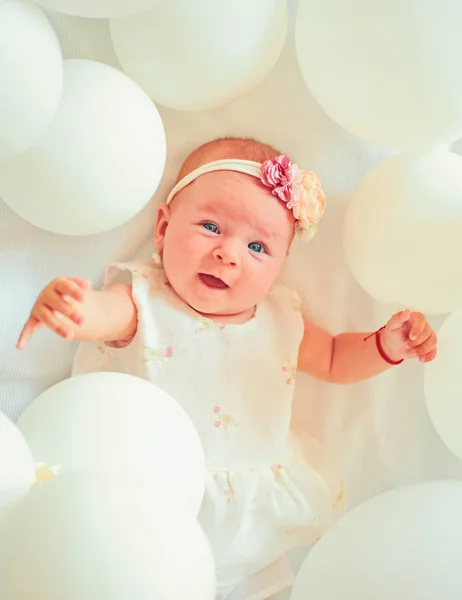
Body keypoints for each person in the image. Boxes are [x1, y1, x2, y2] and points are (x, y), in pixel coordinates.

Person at [17, 137, 438, 599]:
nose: (229, 254)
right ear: (162, 230)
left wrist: (385, 344)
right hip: (147, 506)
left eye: (258, 246)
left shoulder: (283, 317)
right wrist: (73, 309)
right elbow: (102, 316)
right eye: (211, 226)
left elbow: (336, 358)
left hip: (255, 521)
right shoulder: (143, 302)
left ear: (281, 265)